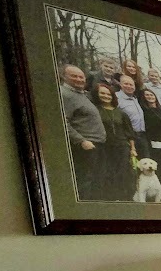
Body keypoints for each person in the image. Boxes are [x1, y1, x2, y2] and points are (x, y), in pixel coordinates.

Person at [60, 65, 106, 201]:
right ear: (64, 76)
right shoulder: (64, 94)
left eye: (81, 76)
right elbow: (62, 122)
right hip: (84, 146)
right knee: (85, 181)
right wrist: (81, 141)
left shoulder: (82, 95)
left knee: (96, 180)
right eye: (74, 76)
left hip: (97, 145)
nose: (79, 79)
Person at [95, 82, 136, 200]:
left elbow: (129, 133)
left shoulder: (121, 113)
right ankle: (111, 197)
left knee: (123, 171)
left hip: (122, 146)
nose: (106, 96)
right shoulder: (96, 111)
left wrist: (132, 148)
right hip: (105, 147)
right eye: (102, 94)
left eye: (109, 94)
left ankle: (124, 197)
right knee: (107, 172)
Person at [116, 75, 147, 158]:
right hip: (128, 137)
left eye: (131, 85)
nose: (129, 86)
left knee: (145, 162)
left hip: (141, 135)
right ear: (120, 84)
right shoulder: (116, 98)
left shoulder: (134, 98)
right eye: (126, 84)